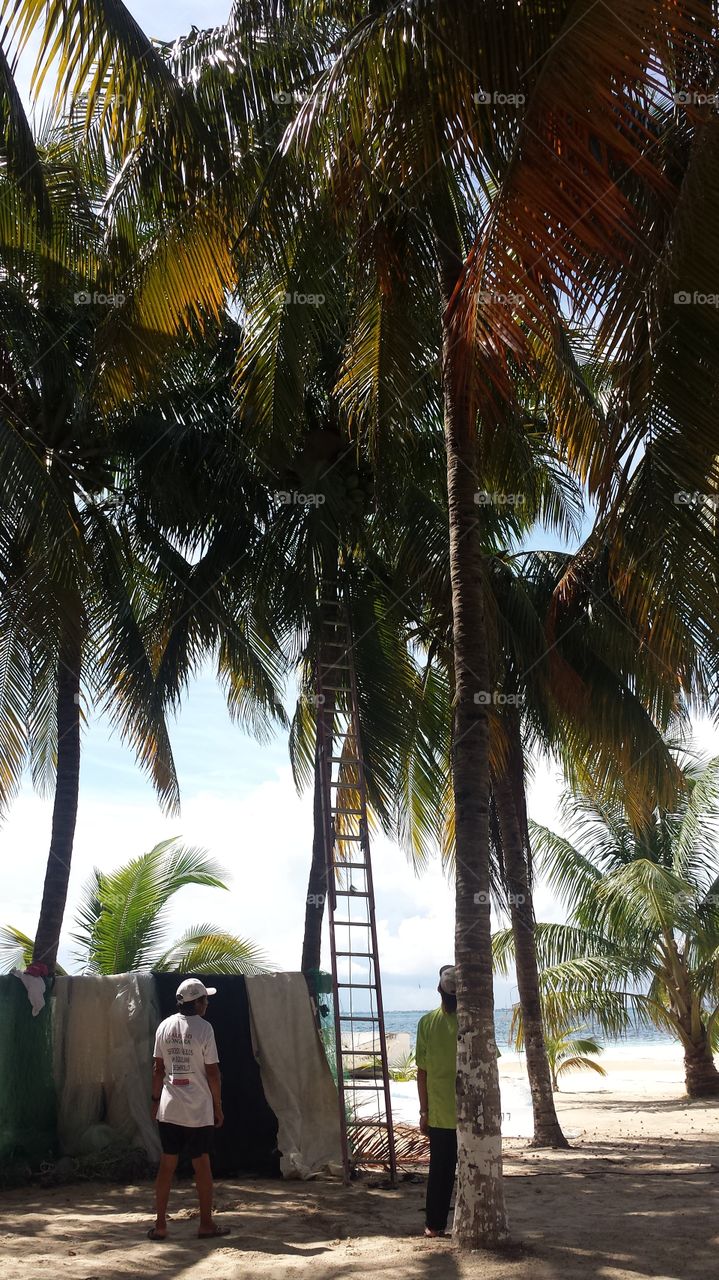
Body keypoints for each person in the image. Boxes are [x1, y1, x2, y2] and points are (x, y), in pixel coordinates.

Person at [148, 977, 229, 1241]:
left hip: (170, 1107)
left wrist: (155, 1101)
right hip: (197, 1108)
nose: (207, 1004)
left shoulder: (164, 1026)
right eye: (205, 999)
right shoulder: (205, 1029)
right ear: (197, 1003)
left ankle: (160, 1225)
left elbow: (158, 1069)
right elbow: (213, 1073)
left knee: (167, 1165)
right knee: (202, 1165)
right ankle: (206, 1224)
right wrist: (218, 1106)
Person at [416, 964, 458, 1237]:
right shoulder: (473, 1021)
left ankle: (436, 1225)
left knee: (441, 1171)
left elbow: (421, 1072)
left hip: (447, 1111)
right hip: (458, 1112)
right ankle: (444, 1223)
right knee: (456, 1171)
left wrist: (424, 1111)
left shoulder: (428, 1022)